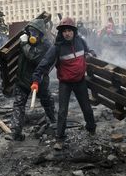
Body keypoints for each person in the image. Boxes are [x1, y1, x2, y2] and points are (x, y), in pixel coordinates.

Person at [32, 17, 97, 150]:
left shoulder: (80, 42)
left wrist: (91, 54)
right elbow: (45, 63)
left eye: (69, 30)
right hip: (65, 83)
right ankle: (60, 138)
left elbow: (90, 51)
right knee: (62, 112)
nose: (67, 33)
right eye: (64, 31)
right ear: (61, 33)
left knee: (87, 109)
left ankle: (91, 129)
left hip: (80, 81)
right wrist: (36, 79)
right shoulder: (57, 47)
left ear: (74, 31)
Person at [10, 19, 56, 141]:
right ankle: (15, 132)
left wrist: (25, 44)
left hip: (39, 81)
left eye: (35, 32)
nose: (32, 34)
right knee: (18, 105)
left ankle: (55, 123)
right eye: (30, 31)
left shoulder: (46, 45)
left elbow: (33, 56)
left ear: (41, 34)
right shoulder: (24, 41)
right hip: (23, 80)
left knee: (47, 101)